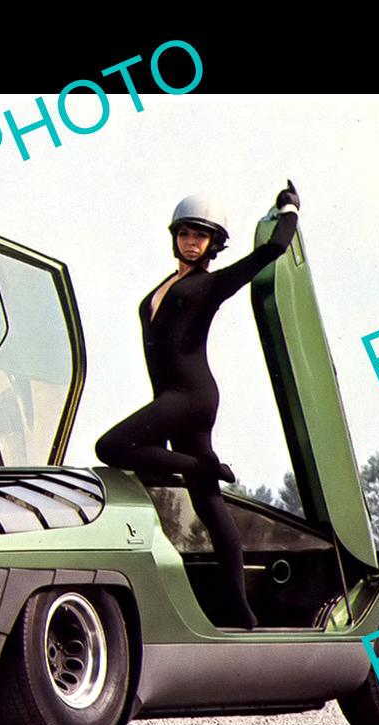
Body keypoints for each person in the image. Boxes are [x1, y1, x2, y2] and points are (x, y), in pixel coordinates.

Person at [95, 182, 301, 629]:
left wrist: (289, 209)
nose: (191, 241)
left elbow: (272, 251)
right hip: (171, 397)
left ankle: (199, 464)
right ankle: (241, 615)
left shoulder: (210, 284)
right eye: (185, 233)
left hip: (190, 397)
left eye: (200, 235)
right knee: (208, 504)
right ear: (175, 236)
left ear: (213, 244)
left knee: (109, 447)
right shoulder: (169, 283)